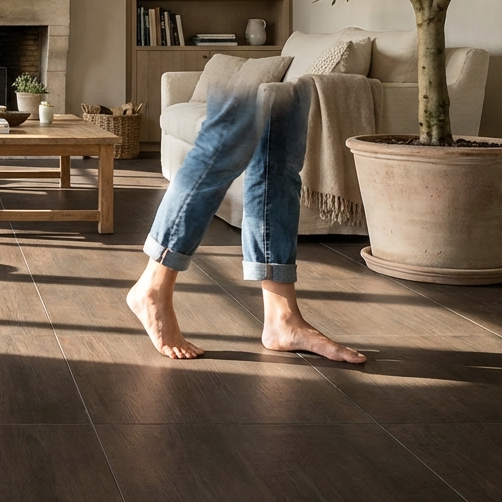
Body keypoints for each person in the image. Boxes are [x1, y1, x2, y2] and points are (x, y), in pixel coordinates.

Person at [128, 70, 366, 363]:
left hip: (279, 74)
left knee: (278, 160)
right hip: (242, 70)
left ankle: (283, 317)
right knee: (224, 143)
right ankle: (153, 286)